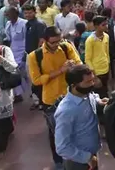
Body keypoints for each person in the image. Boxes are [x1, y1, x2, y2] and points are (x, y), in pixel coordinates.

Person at [27, 26, 82, 169]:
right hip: (51, 100)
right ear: (45, 41)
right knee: (56, 133)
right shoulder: (35, 56)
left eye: (59, 40)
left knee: (75, 130)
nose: (57, 44)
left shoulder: (66, 47)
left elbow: (79, 63)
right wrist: (60, 71)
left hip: (71, 96)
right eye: (53, 42)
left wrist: (72, 66)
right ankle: (59, 162)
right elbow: (36, 80)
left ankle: (75, 160)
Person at [54, 65, 105, 170]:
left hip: (92, 155)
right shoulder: (66, 111)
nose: (92, 84)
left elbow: (93, 96)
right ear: (74, 85)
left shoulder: (85, 92)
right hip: (78, 161)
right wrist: (87, 158)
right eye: (88, 82)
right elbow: (62, 146)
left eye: (92, 80)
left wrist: (98, 101)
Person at [4, 6, 30, 102]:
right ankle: (18, 95)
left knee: (26, 74)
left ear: (16, 14)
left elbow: (27, 41)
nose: (6, 15)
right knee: (13, 72)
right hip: (12, 52)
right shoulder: (8, 24)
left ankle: (33, 95)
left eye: (8, 13)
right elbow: (8, 39)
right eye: (5, 13)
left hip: (23, 52)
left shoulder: (24, 24)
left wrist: (25, 55)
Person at [84, 16, 110, 98]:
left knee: (105, 92)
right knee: (99, 95)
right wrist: (94, 77)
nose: (106, 26)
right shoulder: (90, 40)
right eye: (103, 25)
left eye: (106, 24)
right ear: (96, 26)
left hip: (106, 69)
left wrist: (108, 65)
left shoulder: (106, 36)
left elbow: (107, 52)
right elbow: (87, 59)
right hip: (97, 72)